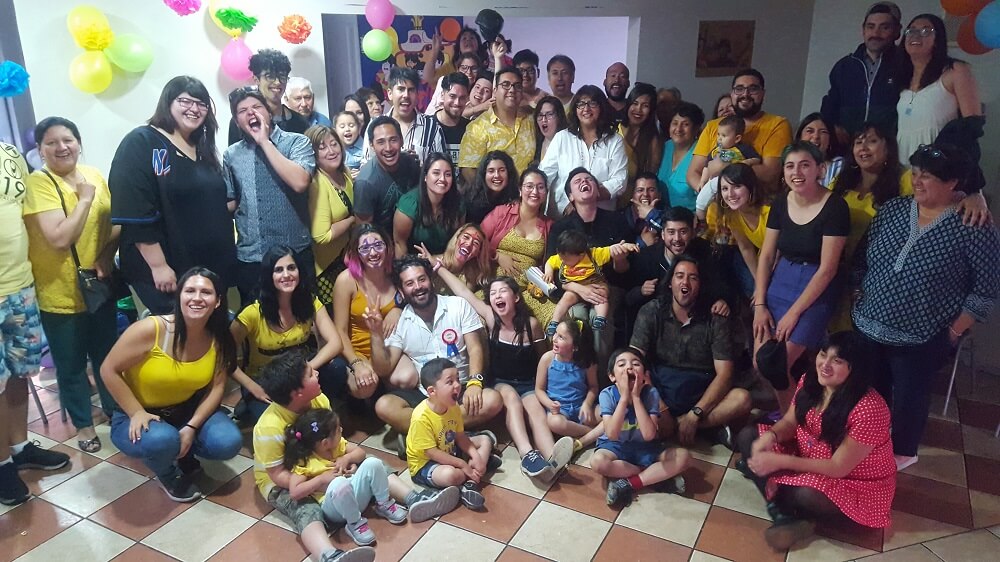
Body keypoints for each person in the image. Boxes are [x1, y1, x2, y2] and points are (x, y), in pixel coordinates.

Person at [852, 143, 1000, 471]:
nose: (917, 181)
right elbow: (862, 257)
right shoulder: (893, 209)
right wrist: (859, 292)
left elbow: (985, 290)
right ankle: (869, 439)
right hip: (869, 323)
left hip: (923, 335)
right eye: (916, 173)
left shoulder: (974, 225)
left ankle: (903, 450)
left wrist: (953, 331)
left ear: (953, 183)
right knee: (870, 391)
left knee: (909, 397)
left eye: (928, 176)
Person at [736, 331, 895, 550]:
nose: (825, 365)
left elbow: (838, 467)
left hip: (853, 482)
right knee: (749, 437)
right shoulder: (811, 380)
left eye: (837, 361)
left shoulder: (870, 409)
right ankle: (786, 514)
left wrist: (779, 462)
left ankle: (786, 507)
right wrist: (772, 436)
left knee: (807, 493)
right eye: (823, 354)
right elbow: (790, 422)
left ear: (856, 369)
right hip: (807, 455)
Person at [102, 268, 242, 502]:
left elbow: (217, 388)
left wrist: (192, 427)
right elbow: (108, 369)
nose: (197, 298)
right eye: (190, 291)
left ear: (217, 301)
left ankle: (182, 453)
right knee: (163, 440)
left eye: (206, 292)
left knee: (228, 441)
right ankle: (167, 471)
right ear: (179, 295)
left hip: (185, 409)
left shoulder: (219, 338)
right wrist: (135, 412)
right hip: (137, 413)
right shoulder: (152, 329)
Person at [23, 117, 119, 452]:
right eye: (51, 143)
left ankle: (116, 413)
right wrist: (84, 199)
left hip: (99, 285)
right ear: (40, 150)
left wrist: (107, 254)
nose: (61, 147)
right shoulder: (39, 183)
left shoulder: (93, 175)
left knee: (108, 357)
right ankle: (83, 426)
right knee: (71, 365)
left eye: (68, 140)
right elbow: (60, 237)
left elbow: (114, 224)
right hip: (59, 292)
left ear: (79, 143)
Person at [110, 76, 236, 314]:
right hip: (166, 269)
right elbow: (135, 207)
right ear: (168, 102)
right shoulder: (143, 142)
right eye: (185, 101)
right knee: (176, 328)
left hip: (205, 268)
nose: (194, 109)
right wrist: (158, 265)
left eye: (201, 104)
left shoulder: (202, 148)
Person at [435, 270, 575, 478]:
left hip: (528, 382)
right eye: (493, 293)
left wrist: (544, 390)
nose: (497, 296)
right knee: (510, 397)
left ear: (516, 297)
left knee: (535, 410)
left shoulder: (531, 325)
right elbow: (464, 292)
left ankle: (553, 460)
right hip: (500, 381)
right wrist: (438, 267)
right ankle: (527, 454)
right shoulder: (492, 319)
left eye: (502, 291)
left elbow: (544, 359)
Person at [251, 352, 383, 562]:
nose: (317, 373)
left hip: (323, 464)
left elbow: (334, 442)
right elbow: (277, 474)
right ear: (297, 393)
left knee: (372, 464)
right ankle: (329, 555)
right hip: (287, 482)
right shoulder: (269, 427)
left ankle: (410, 498)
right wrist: (317, 481)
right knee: (306, 509)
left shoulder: (319, 400)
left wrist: (345, 461)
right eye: (311, 374)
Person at [0, 142, 69, 507]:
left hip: (20, 286)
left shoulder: (9, 154)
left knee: (19, 373)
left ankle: (19, 447)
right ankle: (1, 465)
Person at [753, 142, 849, 401]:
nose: (796, 172)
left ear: (820, 169)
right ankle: (797, 415)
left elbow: (828, 269)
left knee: (776, 365)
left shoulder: (836, 207)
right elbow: (767, 255)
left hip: (816, 285)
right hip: (782, 278)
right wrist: (759, 304)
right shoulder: (781, 202)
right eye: (790, 166)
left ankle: (794, 421)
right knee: (761, 363)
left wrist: (794, 313)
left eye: (804, 165)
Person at [283, 407, 461, 545]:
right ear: (325, 443)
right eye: (338, 430)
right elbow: (295, 492)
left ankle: (384, 504)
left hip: (355, 495)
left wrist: (346, 459)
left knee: (373, 462)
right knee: (339, 484)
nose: (342, 429)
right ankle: (355, 524)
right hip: (335, 509)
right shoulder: (305, 462)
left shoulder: (338, 446)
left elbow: (360, 453)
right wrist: (321, 479)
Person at [368, 256, 502, 438]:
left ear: (431, 280)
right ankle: (456, 435)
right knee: (384, 406)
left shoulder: (458, 305)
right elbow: (383, 368)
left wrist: (475, 383)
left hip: (461, 387)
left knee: (493, 400)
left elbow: (475, 349)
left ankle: (424, 433)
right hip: (426, 395)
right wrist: (375, 334)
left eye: (421, 279)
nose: (418, 287)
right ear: (401, 291)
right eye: (409, 283)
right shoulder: (400, 321)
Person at [630, 256, 751, 445]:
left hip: (701, 395)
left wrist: (696, 414)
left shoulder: (715, 317)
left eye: (692, 278)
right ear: (670, 282)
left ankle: (682, 425)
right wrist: (658, 405)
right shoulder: (651, 311)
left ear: (700, 285)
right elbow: (633, 361)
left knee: (743, 399)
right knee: (632, 416)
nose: (685, 282)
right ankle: (705, 429)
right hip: (661, 392)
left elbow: (725, 374)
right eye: (679, 276)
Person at [230, 246, 347, 424]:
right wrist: (252, 387)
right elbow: (224, 356)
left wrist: (306, 369)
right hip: (265, 381)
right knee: (277, 422)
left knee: (337, 368)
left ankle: (312, 410)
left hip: (301, 372)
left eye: (291, 268)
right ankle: (250, 404)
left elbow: (335, 343)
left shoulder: (310, 301)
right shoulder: (252, 312)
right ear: (269, 275)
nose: (286, 275)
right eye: (278, 270)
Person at [225, 87, 315, 305]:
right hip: (252, 257)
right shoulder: (231, 155)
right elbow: (231, 202)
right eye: (242, 111)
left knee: (303, 315)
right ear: (237, 121)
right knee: (255, 320)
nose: (251, 113)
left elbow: (300, 182)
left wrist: (264, 141)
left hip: (294, 254)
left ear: (269, 112)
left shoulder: (297, 142)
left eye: (257, 107)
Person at [545, 168, 632, 361]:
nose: (584, 182)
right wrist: (579, 289)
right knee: (577, 317)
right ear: (570, 196)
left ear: (597, 190)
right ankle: (576, 371)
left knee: (600, 319)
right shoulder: (560, 228)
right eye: (577, 181)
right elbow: (554, 271)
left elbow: (626, 274)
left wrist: (619, 260)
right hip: (572, 289)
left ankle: (600, 373)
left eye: (589, 179)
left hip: (607, 287)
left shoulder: (617, 221)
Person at [593, 348, 691, 508]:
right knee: (598, 462)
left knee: (684, 457)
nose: (629, 367)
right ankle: (654, 476)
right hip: (616, 446)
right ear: (612, 376)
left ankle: (630, 483)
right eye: (621, 364)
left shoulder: (651, 393)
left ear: (644, 374)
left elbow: (649, 435)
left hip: (646, 447)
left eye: (636, 364)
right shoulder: (607, 395)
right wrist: (624, 398)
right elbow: (611, 434)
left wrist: (636, 398)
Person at [406, 358, 499, 511]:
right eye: (450, 382)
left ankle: (470, 483)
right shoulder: (421, 417)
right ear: (432, 391)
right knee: (450, 475)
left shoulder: (453, 407)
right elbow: (432, 453)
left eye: (457, 379)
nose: (457, 385)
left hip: (450, 450)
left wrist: (475, 455)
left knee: (485, 440)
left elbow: (460, 436)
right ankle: (473, 474)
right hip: (425, 464)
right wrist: (463, 464)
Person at [896, 13, 983, 167]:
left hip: (940, 165)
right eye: (911, 31)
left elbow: (972, 124)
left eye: (925, 31)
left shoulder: (956, 70)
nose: (916, 35)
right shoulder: (902, 76)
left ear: (937, 40)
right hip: (903, 164)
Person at [687, 69, 792, 195]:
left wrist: (724, 166)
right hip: (715, 203)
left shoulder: (778, 124)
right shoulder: (713, 126)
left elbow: (770, 174)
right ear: (732, 94)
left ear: (763, 94)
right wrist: (708, 193)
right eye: (739, 89)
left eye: (753, 89)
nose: (745, 94)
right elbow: (693, 173)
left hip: (757, 205)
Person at [626, 206, 733, 326]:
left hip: (698, 321)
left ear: (693, 233)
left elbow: (724, 286)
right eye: (671, 232)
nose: (677, 239)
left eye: (683, 232)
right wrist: (641, 291)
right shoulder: (646, 257)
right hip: (659, 324)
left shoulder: (707, 253)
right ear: (663, 234)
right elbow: (627, 299)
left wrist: (723, 301)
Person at [329, 224, 402, 393]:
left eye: (378, 245)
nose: (373, 253)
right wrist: (356, 363)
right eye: (365, 248)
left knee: (407, 377)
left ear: (387, 247)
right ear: (356, 253)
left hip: (388, 348)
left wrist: (398, 309)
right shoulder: (346, 280)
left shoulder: (396, 274)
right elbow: (339, 330)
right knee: (366, 386)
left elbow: (415, 296)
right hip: (357, 351)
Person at [481, 167, 555, 324]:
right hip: (494, 288)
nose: (535, 191)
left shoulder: (549, 225)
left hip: (528, 291)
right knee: (476, 317)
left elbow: (552, 260)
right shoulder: (501, 213)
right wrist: (497, 256)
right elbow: (477, 241)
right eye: (529, 186)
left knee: (557, 319)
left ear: (546, 193)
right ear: (520, 190)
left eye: (540, 187)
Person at [540, 86, 628, 215]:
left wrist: (586, 199)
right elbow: (545, 174)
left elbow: (620, 180)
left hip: (601, 215)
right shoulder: (562, 138)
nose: (586, 109)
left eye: (592, 103)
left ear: (602, 107)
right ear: (575, 109)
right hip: (563, 213)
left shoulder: (614, 141)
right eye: (581, 104)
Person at [821, 2, 902, 140]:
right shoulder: (844, 67)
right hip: (847, 147)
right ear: (863, 30)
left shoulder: (905, 65)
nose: (875, 33)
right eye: (870, 27)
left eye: (884, 27)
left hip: (889, 147)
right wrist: (833, 128)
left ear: (897, 31)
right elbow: (829, 106)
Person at [544, 231, 638, 334]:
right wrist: (549, 272)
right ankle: (554, 322)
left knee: (601, 295)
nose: (562, 261)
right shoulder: (561, 257)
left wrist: (626, 246)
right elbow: (550, 262)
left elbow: (612, 249)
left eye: (566, 259)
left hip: (595, 282)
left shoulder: (594, 254)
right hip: (575, 286)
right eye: (561, 257)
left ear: (581, 254)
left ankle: (600, 318)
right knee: (565, 299)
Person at [535, 319, 604, 453]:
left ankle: (582, 440)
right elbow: (539, 389)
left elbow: (593, 387)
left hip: (581, 407)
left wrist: (587, 404)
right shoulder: (547, 359)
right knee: (555, 423)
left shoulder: (586, 362)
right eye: (556, 333)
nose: (554, 339)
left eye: (561, 337)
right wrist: (550, 404)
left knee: (609, 414)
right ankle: (593, 434)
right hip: (560, 411)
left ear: (575, 347)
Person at [457, 67, 536, 183]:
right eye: (506, 85)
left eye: (517, 86)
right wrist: (487, 192)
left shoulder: (531, 121)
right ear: (495, 91)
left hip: (529, 192)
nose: (512, 90)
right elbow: (468, 169)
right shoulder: (477, 127)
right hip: (493, 193)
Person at [305, 126, 355, 305]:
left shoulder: (344, 173)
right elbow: (321, 236)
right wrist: (352, 220)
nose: (331, 151)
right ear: (313, 154)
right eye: (322, 147)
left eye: (334, 144)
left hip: (347, 258)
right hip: (326, 269)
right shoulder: (317, 183)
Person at [361, 67, 446, 169]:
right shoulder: (375, 125)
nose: (406, 95)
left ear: (417, 95)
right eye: (401, 89)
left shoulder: (431, 126)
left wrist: (419, 166)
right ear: (390, 93)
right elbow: (365, 166)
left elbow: (441, 168)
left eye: (411, 90)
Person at [353, 116, 420, 235]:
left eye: (393, 140)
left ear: (401, 140)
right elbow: (364, 233)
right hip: (383, 241)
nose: (388, 148)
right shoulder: (365, 183)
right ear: (372, 145)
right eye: (381, 142)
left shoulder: (409, 163)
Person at [227, 49, 310, 145]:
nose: (277, 82)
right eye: (270, 76)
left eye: (282, 76)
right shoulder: (243, 121)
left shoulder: (299, 121)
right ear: (256, 79)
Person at [393, 153, 464, 257]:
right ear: (425, 176)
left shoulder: (458, 202)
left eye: (448, 174)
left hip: (446, 260)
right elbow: (400, 244)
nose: (442, 179)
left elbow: (458, 242)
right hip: (415, 262)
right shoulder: (409, 204)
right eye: (436, 173)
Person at [694, 115, 764, 222]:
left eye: (724, 135)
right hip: (717, 179)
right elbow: (707, 166)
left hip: (735, 179)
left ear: (737, 138)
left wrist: (746, 162)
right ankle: (700, 213)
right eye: (718, 134)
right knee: (707, 192)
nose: (719, 138)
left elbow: (757, 159)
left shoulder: (743, 149)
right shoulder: (715, 150)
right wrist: (702, 181)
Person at [716, 164, 770, 298]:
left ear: (750, 186)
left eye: (737, 186)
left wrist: (762, 286)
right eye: (725, 188)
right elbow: (746, 248)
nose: (730, 194)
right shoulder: (733, 215)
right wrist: (758, 282)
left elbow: (774, 253)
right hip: (765, 262)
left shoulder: (769, 211)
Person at [657, 102, 705, 212]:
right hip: (661, 215)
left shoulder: (702, 153)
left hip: (689, 218)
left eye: (685, 124)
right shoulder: (664, 147)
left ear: (696, 129)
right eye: (675, 123)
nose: (678, 129)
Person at [619, 83, 662, 192]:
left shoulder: (653, 140)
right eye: (635, 103)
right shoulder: (614, 131)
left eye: (645, 106)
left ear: (651, 111)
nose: (638, 109)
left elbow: (650, 176)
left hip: (636, 196)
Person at [432, 224, 493, 294]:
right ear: (457, 238)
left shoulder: (470, 277)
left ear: (478, 253)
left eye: (476, 243)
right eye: (466, 237)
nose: (469, 244)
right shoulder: (433, 262)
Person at [464, 150, 519, 224]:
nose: (497, 175)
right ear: (484, 175)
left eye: (502, 170)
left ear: (509, 173)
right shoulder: (470, 200)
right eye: (491, 171)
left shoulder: (516, 198)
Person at [432, 72, 471, 173]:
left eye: (462, 98)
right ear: (442, 95)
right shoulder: (428, 127)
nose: (457, 102)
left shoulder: (471, 129)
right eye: (452, 96)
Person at [796, 113, 843, 187]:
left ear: (830, 139)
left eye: (823, 132)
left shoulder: (839, 166)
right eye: (810, 131)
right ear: (799, 137)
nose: (816, 136)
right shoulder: (790, 164)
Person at [532, 96, 568, 163]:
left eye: (549, 114)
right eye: (540, 115)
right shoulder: (536, 145)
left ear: (559, 117)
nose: (544, 120)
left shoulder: (569, 143)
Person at [333, 112, 364, 176]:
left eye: (351, 126)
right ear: (335, 130)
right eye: (342, 127)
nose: (347, 129)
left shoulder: (366, 148)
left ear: (359, 128)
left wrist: (362, 173)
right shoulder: (333, 150)